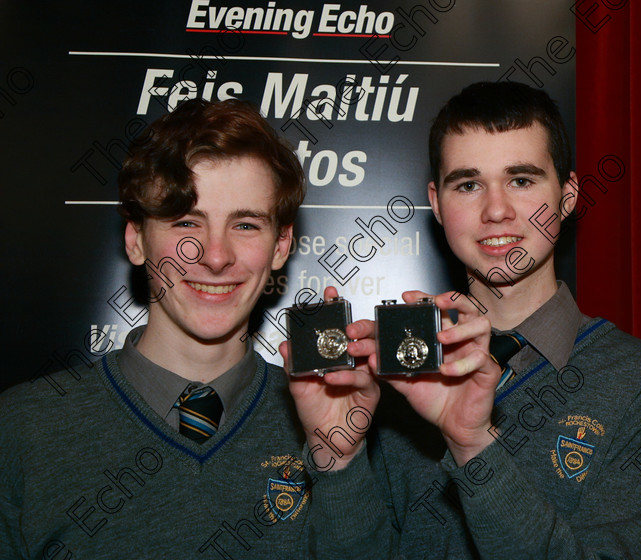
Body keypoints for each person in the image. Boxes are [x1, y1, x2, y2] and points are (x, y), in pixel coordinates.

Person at [0, 99, 388, 558]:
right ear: (136, 238)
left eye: (245, 224)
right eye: (186, 221)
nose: (215, 255)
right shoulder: (23, 428)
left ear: (281, 246)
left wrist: (337, 462)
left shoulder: (352, 428)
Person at [364, 81, 641, 559]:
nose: (496, 210)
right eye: (469, 184)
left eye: (521, 180)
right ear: (437, 204)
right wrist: (337, 462)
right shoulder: (401, 380)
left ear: (568, 197)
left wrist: (474, 444)